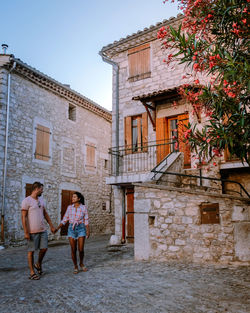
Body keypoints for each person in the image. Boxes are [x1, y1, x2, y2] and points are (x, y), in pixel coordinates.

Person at [21, 182, 56, 280]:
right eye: (41, 189)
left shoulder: (41, 200)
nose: (42, 191)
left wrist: (51, 226)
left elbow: (45, 214)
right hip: (32, 231)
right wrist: (26, 232)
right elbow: (23, 217)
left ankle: (38, 263)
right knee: (31, 251)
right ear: (36, 189)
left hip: (42, 230)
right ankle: (32, 272)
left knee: (44, 249)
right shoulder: (26, 201)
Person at [55, 191, 90, 274]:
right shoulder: (69, 207)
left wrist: (88, 231)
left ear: (79, 199)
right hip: (71, 229)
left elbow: (86, 220)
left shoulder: (83, 207)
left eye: (74, 197)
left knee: (81, 249)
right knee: (73, 249)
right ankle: (75, 266)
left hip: (81, 228)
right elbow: (65, 219)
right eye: (72, 197)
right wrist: (57, 228)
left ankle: (81, 263)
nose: (72, 198)